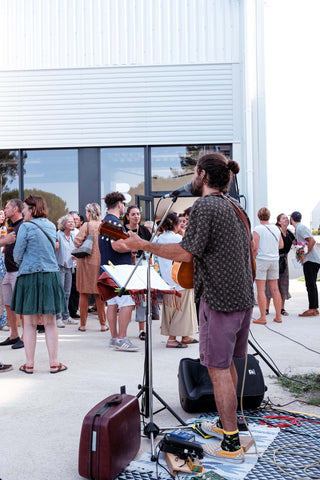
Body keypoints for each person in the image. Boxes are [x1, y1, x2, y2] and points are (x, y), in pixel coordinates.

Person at [114, 152, 254, 462]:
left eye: (194, 172)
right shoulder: (236, 206)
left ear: (203, 176)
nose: (191, 177)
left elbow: (186, 253)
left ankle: (231, 444)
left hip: (219, 300)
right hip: (242, 298)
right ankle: (229, 425)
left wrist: (144, 245)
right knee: (227, 364)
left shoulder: (205, 205)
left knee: (217, 370)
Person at [11, 195, 67, 374]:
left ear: (32, 209)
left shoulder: (25, 227)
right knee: (51, 323)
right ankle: (54, 363)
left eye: (25, 209)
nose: (24, 213)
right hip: (50, 275)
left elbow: (17, 255)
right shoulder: (51, 226)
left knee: (29, 323)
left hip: (29, 276)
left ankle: (29, 364)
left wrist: (26, 262)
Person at [99, 192, 138, 352]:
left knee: (113, 304)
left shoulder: (106, 222)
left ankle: (115, 338)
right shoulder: (113, 222)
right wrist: (133, 246)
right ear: (120, 204)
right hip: (119, 271)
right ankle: (122, 338)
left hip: (109, 269)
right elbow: (116, 246)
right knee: (127, 303)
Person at [156, 212, 198, 348]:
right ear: (175, 224)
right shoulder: (178, 239)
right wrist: (182, 232)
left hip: (167, 279)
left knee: (171, 308)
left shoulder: (159, 239)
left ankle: (184, 335)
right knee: (182, 309)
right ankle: (172, 339)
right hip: (179, 278)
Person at [74, 203, 107, 332]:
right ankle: (103, 324)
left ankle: (83, 325)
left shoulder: (86, 225)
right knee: (99, 295)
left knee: (84, 293)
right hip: (100, 263)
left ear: (89, 213)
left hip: (86, 263)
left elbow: (77, 242)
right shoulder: (104, 226)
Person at [124, 205, 152, 340]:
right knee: (125, 299)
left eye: (138, 214)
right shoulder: (122, 230)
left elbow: (150, 247)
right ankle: (122, 331)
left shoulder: (145, 231)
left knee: (142, 298)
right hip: (126, 265)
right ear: (127, 216)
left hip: (141, 264)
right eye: (133, 214)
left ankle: (142, 329)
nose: (136, 216)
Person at [0, 199, 24, 349]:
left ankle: (24, 336)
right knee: (8, 304)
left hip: (17, 271)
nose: (5, 210)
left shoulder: (23, 226)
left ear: (15, 209)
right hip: (8, 271)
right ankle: (14, 334)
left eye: (7, 207)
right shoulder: (11, 227)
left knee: (21, 306)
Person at [252, 207, 283, 325]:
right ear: (269, 216)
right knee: (275, 288)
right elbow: (281, 245)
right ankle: (278, 316)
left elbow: (255, 247)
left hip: (261, 260)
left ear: (259, 216)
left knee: (261, 289)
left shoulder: (257, 229)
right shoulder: (276, 228)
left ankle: (262, 317)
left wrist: (252, 259)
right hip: (274, 260)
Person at [290, 211, 320, 316]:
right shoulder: (299, 228)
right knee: (311, 284)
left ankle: (312, 309)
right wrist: (299, 255)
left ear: (291, 219)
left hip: (311, 260)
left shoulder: (300, 228)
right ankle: (315, 308)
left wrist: (305, 254)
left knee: (310, 285)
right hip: (313, 260)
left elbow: (311, 240)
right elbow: (302, 243)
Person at [266, 213, 294, 316]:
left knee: (283, 284)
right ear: (279, 221)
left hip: (284, 260)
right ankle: (266, 308)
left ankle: (282, 308)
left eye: (287, 218)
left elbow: (296, 243)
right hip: (275, 259)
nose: (286, 220)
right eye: (283, 218)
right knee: (270, 284)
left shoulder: (290, 233)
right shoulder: (276, 231)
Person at [55, 214, 78, 327]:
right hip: (60, 267)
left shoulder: (73, 236)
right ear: (64, 224)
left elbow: (75, 249)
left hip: (70, 267)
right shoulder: (58, 235)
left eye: (73, 222)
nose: (72, 223)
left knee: (67, 293)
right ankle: (58, 317)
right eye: (69, 222)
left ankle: (66, 316)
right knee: (59, 293)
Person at [0, 208, 9, 331]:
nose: (2, 216)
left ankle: (3, 321)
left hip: (2, 262)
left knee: (3, 293)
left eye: (2, 215)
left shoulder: (4, 229)